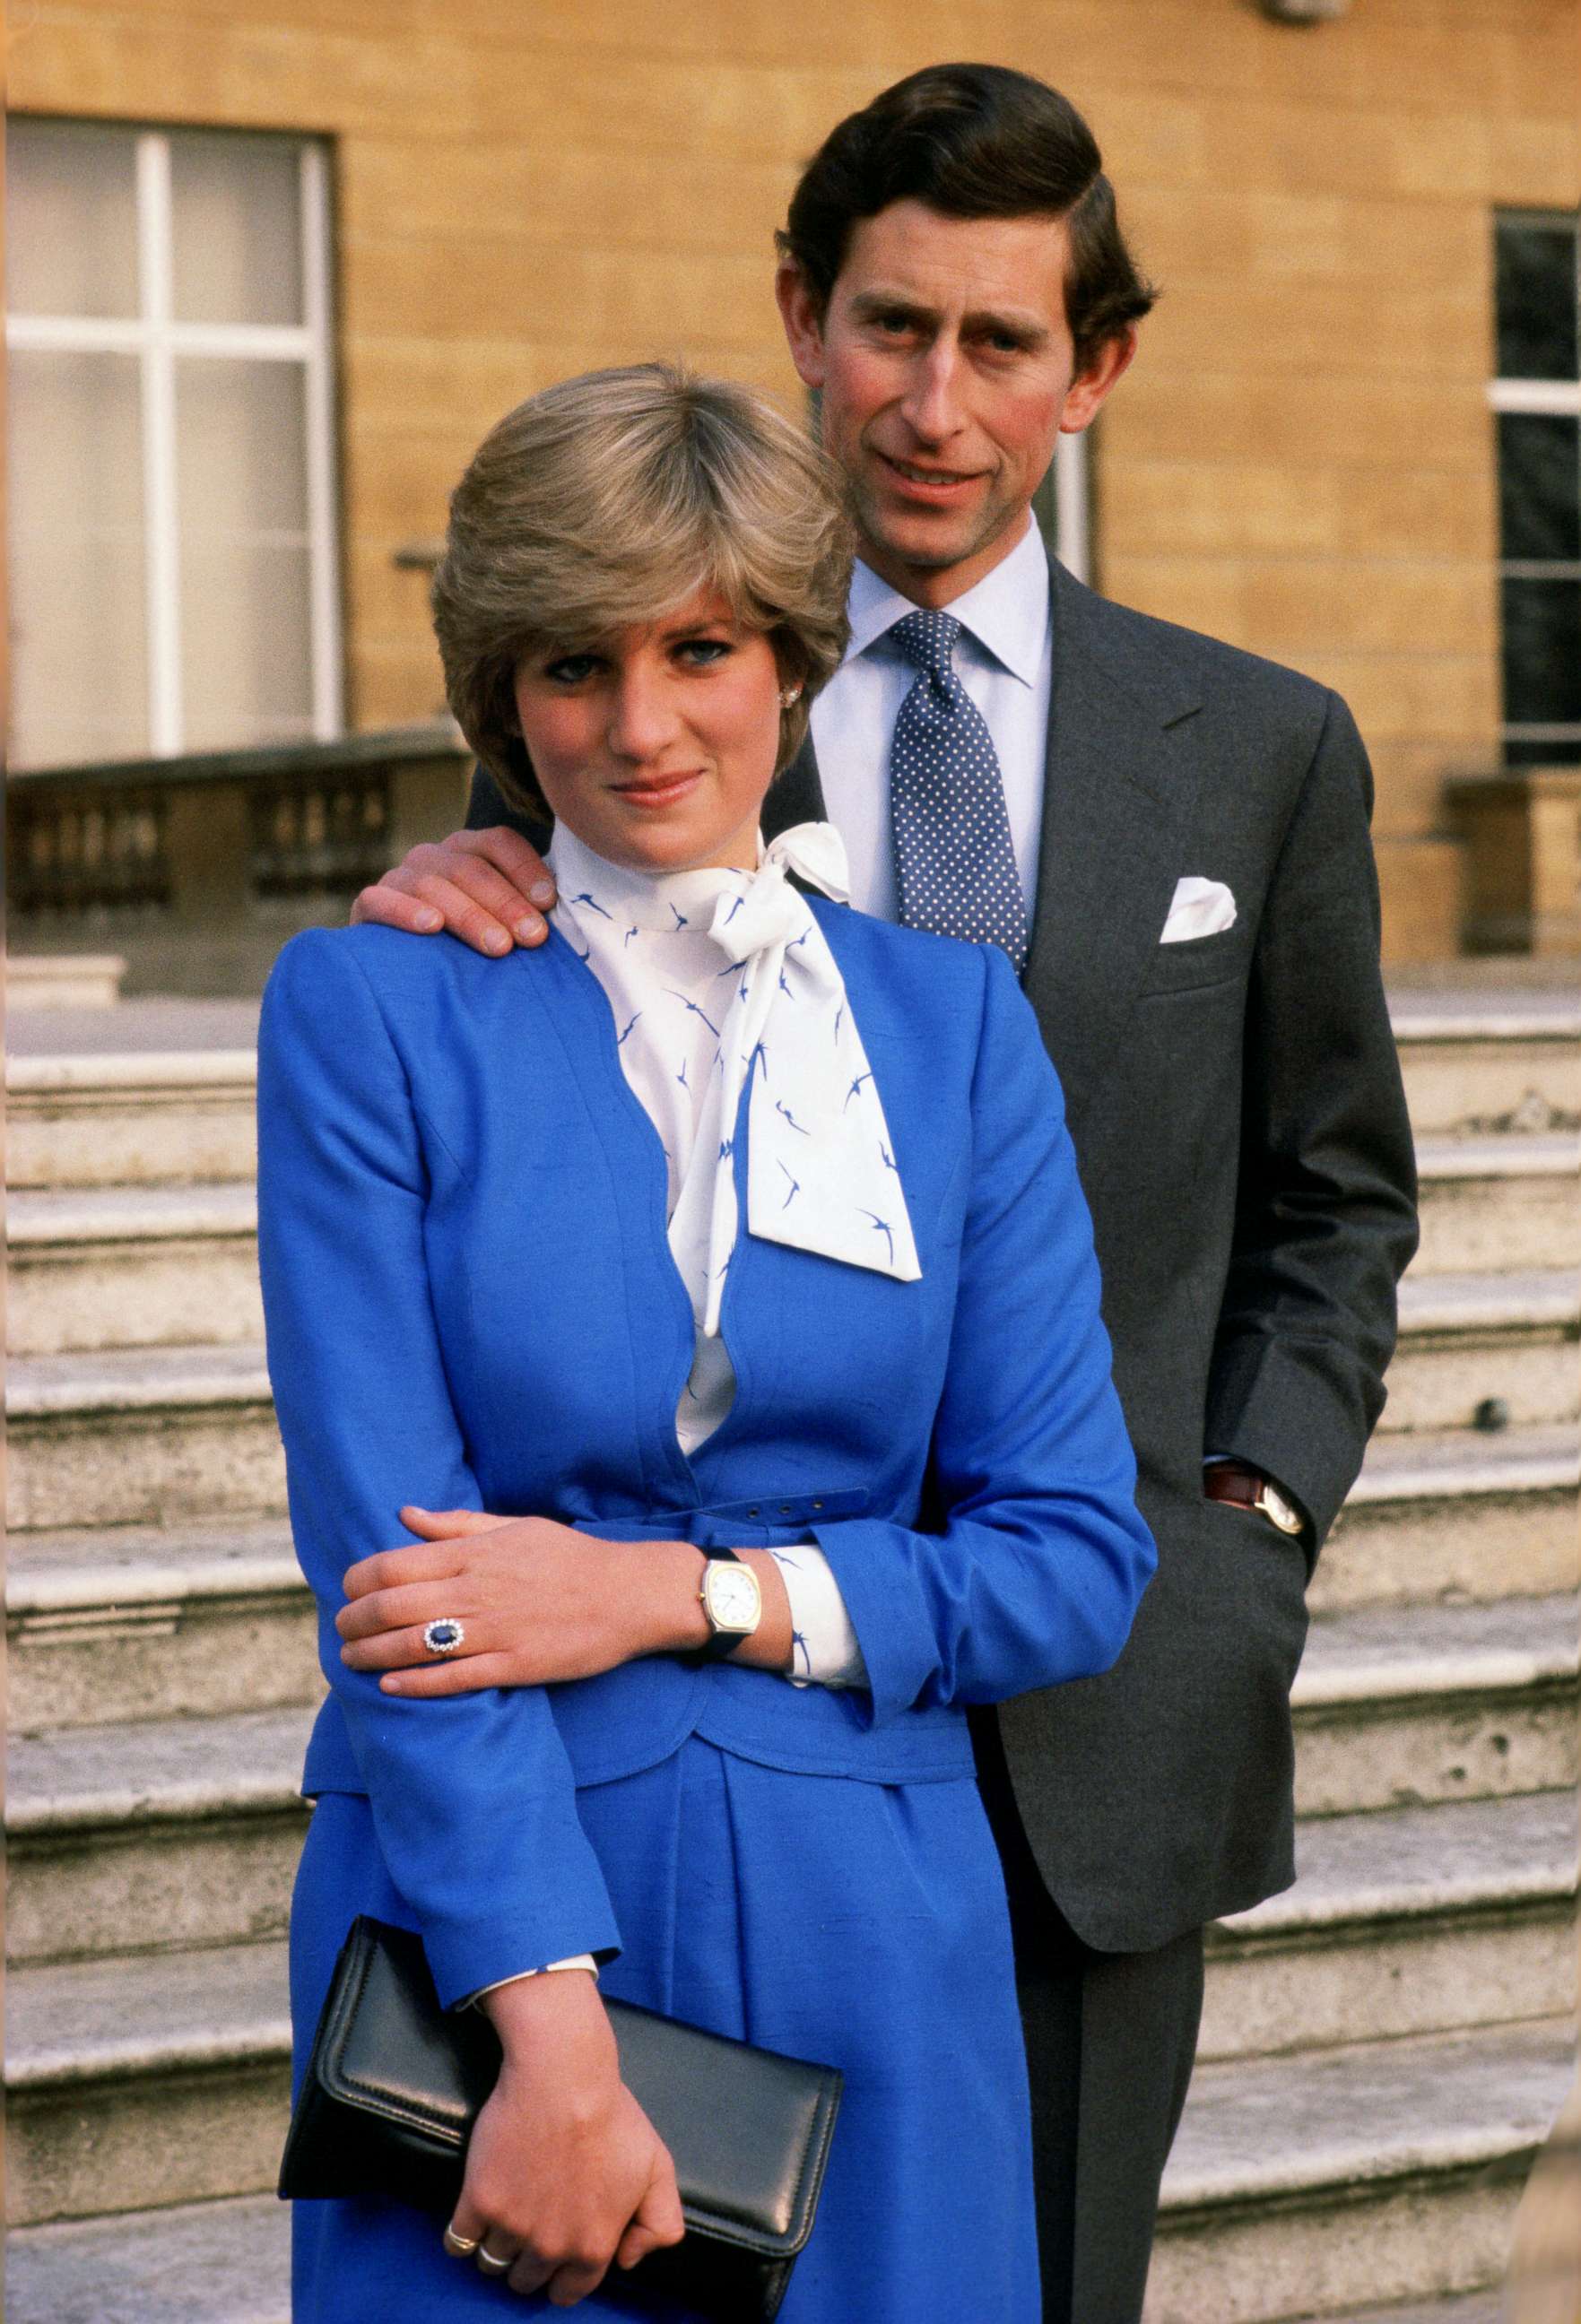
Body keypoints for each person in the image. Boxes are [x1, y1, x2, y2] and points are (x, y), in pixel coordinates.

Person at [356, 65, 1420, 2322]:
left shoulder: (1263, 742)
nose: (937, 402)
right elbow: (541, 965)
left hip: (1103, 1686)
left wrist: (1256, 1520)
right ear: (801, 324)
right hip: (697, 1747)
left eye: (1002, 343)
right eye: (891, 329)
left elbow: (1341, 1194)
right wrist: (442, 888)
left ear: (1093, 372)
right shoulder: (678, 658)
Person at [261, 361, 1156, 2322]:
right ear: (502, 693)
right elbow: (401, 1575)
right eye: (574, 664)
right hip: (487, 1934)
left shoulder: (953, 1029)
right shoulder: (371, 1009)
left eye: (702, 648)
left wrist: (682, 1594)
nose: (642, 725)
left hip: (875, 1944)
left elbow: (1073, 1562)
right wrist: (556, 2056)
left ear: (792, 657)